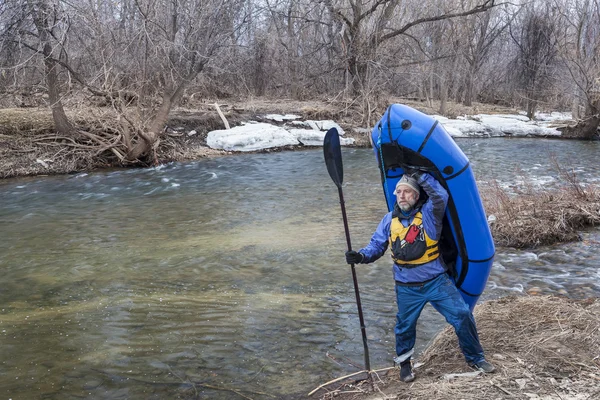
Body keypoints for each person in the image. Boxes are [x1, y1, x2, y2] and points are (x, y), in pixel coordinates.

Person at [345, 171, 495, 383]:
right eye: (399, 192)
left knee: (462, 314)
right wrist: (360, 256)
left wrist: (419, 176)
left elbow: (441, 196)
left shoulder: (429, 215)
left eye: (408, 192)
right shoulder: (388, 220)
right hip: (406, 286)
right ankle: (405, 365)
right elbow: (376, 246)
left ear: (417, 196)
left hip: (436, 282)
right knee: (404, 327)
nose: (402, 195)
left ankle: (476, 358)